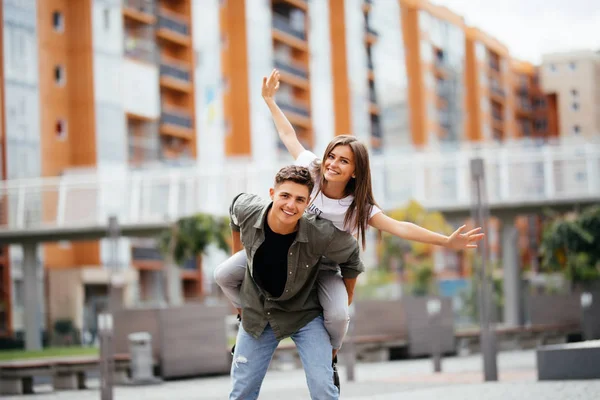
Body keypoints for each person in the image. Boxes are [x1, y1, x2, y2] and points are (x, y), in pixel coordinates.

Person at [216, 69, 485, 385]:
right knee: (223, 275)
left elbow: (400, 227)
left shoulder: (359, 207)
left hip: (324, 266)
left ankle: (330, 358)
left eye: (343, 161)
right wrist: (270, 101)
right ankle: (244, 315)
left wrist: (445, 241)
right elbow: (289, 136)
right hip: (287, 254)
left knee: (339, 315)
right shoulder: (311, 174)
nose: (333, 164)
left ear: (356, 171)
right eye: (332, 156)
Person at [228, 165, 363, 399]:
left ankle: (328, 364)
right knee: (242, 393)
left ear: (308, 202)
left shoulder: (319, 232)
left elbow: (352, 255)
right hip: (258, 313)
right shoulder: (248, 210)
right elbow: (234, 210)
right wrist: (238, 254)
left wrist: (347, 297)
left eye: (300, 200)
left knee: (323, 390)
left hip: (304, 313)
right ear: (272, 193)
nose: (291, 205)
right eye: (285, 196)